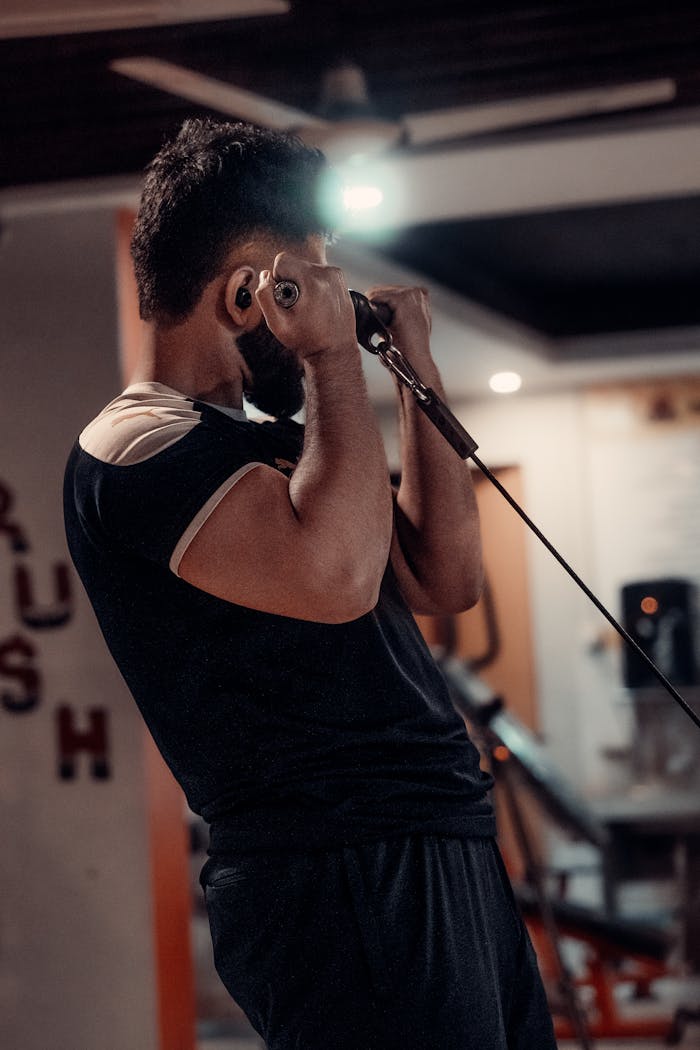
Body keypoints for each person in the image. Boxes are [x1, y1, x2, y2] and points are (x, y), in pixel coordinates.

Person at [63, 118, 556, 1050]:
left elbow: (443, 577)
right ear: (253, 294)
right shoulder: (134, 445)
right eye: (311, 281)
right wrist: (331, 359)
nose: (326, 307)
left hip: (433, 842)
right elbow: (332, 579)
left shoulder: (275, 448)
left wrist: (415, 378)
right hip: (337, 870)